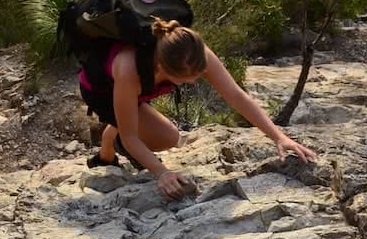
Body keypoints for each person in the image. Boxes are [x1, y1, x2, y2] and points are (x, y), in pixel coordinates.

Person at [79, 17, 316, 199]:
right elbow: (130, 137)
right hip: (103, 92)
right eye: (185, 78)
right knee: (155, 135)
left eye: (198, 75)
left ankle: (112, 133)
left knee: (169, 138)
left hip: (138, 94)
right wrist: (162, 173)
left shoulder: (194, 53)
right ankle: (108, 144)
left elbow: (236, 96)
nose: (193, 81)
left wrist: (278, 137)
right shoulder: (128, 69)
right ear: (161, 66)